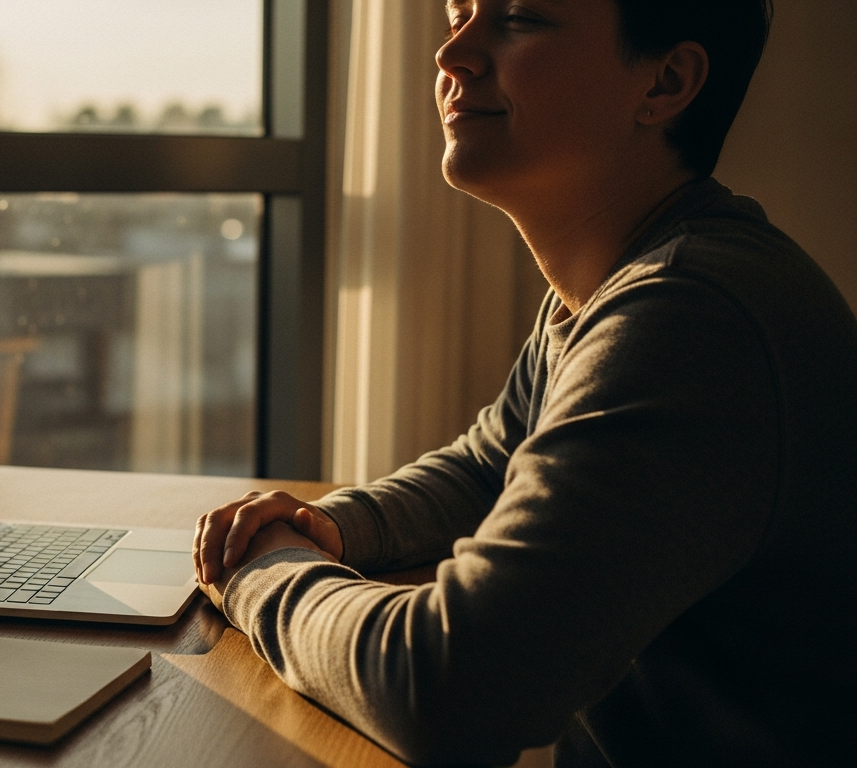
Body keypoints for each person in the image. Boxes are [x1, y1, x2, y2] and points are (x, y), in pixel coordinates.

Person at [193, 0, 856, 765]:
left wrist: (262, 574)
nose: (452, 54)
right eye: (458, 12)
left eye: (518, 18)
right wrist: (332, 527)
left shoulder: (692, 316)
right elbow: (488, 466)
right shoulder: (619, 285)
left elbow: (448, 690)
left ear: (666, 81)